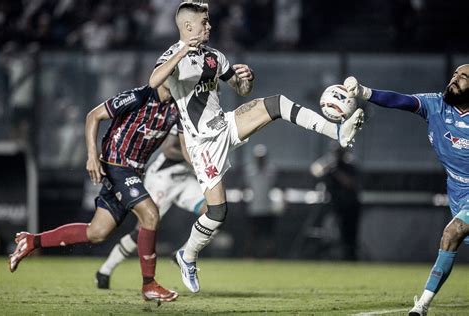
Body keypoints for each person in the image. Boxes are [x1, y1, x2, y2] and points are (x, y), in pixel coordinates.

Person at [148, 0, 364, 293]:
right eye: (204, 22)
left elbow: (240, 89)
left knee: (276, 104)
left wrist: (246, 79)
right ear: (188, 27)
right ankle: (187, 255)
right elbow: (154, 81)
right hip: (202, 145)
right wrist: (183, 50)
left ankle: (337, 131)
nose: (209, 26)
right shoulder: (173, 55)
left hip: (224, 126)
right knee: (217, 212)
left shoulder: (214, 57)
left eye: (208, 22)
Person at [8, 84, 181, 302]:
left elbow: (187, 141)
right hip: (116, 164)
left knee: (97, 232)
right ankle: (149, 284)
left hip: (133, 170)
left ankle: (31, 241)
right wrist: (91, 156)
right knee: (151, 215)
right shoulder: (139, 96)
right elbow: (93, 116)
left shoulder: (177, 107)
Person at [343, 64, 469, 316]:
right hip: (457, 191)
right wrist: (365, 92)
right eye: (455, 74)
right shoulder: (436, 105)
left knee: (451, 233)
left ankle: (421, 305)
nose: (454, 79)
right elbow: (401, 101)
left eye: (463, 77)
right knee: (454, 235)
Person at [95, 129, 207, 289]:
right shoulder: (181, 115)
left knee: (214, 212)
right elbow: (168, 149)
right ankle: (105, 271)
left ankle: (183, 254)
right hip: (163, 178)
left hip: (184, 177)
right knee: (143, 229)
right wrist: (195, 159)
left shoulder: (208, 117)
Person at [310, 143, 361, 260]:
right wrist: (328, 167)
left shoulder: (350, 164)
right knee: (330, 232)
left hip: (350, 205)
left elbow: (350, 183)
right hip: (335, 204)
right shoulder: (330, 164)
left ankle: (350, 258)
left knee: (349, 234)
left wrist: (336, 172)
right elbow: (315, 170)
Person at [243, 144, 280, 258]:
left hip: (267, 208)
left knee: (268, 235)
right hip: (253, 208)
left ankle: (270, 256)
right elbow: (245, 186)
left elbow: (276, 185)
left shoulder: (271, 170)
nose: (260, 159)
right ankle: (250, 255)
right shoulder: (249, 170)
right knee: (252, 234)